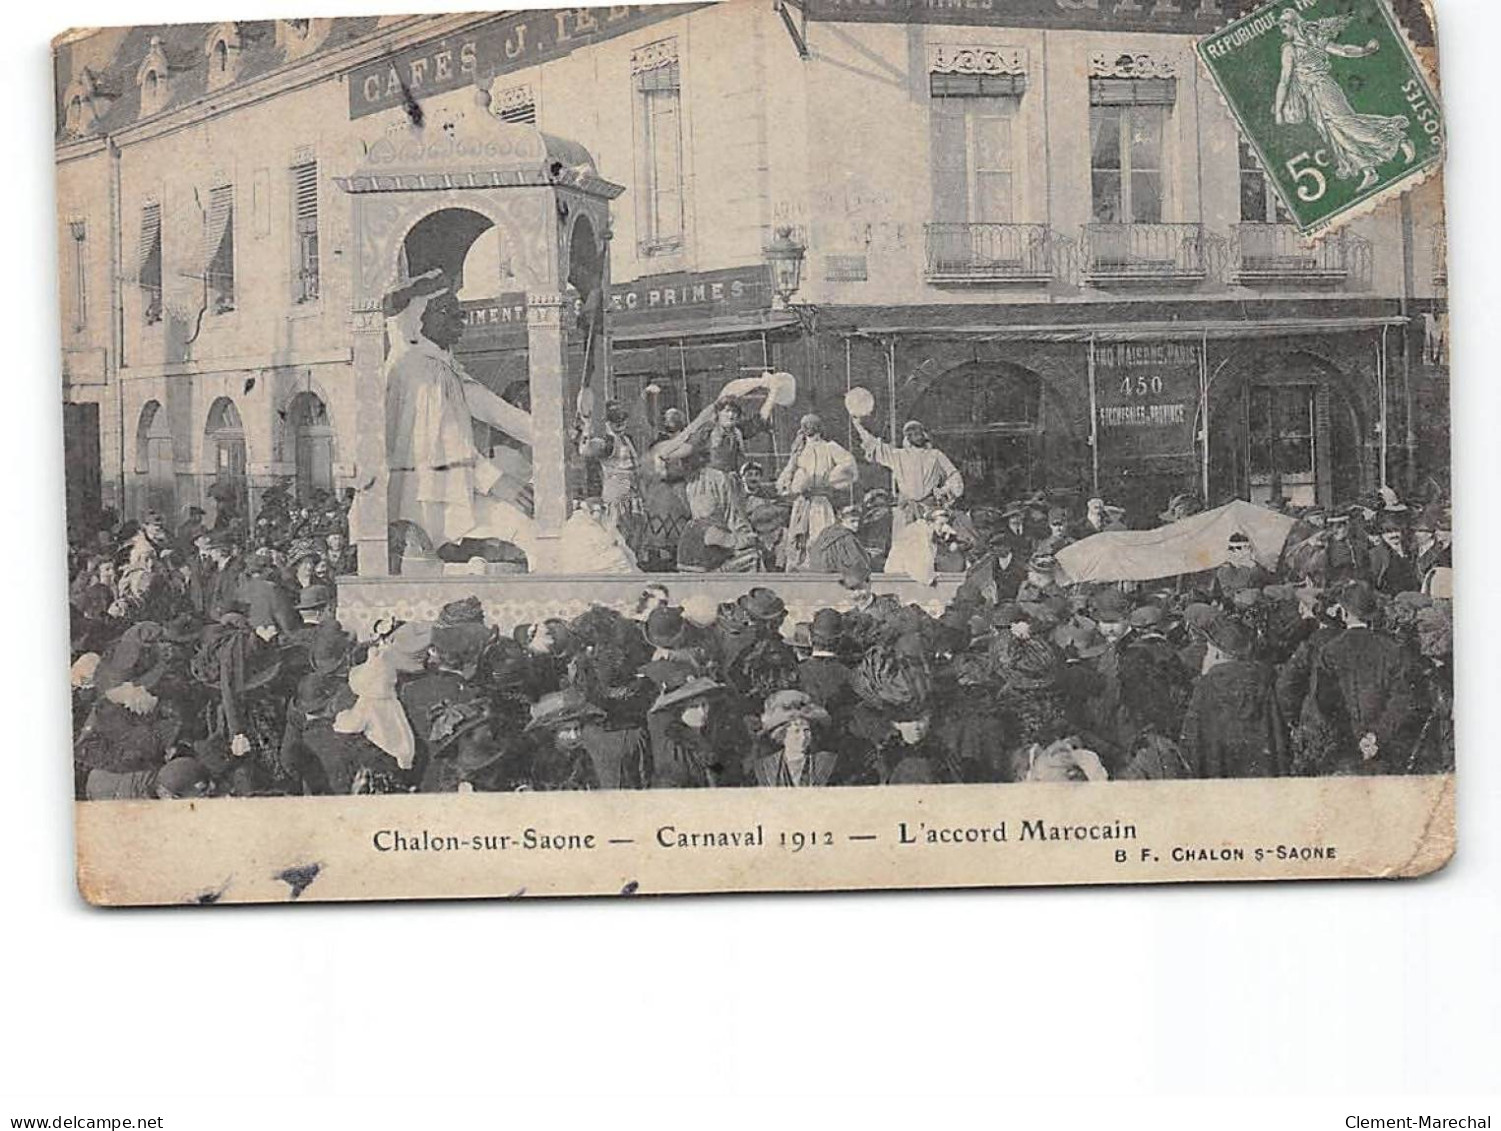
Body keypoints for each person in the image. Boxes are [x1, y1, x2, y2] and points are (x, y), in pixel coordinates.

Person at [381, 271, 540, 564]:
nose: (460, 321)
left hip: (453, 489)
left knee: (526, 530)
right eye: (448, 313)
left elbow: (491, 408)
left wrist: (551, 433)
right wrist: (496, 482)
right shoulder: (417, 370)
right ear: (421, 318)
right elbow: (448, 438)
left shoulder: (442, 365)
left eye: (460, 313)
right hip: (423, 499)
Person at [1273, 8, 1416, 192]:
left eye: (1284, 27)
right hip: (1312, 98)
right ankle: (1368, 169)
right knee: (1336, 135)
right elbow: (1285, 80)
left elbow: (1342, 50)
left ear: (1292, 25)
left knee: (1348, 125)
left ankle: (1398, 138)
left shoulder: (1307, 43)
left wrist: (1365, 51)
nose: (1283, 31)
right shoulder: (1292, 48)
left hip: (1324, 88)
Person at [1304, 580, 1422, 775]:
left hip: (1345, 748)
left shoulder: (1330, 651)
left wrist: (1351, 737)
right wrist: (1375, 737)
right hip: (1385, 747)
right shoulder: (1392, 650)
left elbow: (1324, 702)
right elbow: (1402, 700)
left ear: (1345, 612)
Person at [1180, 614, 1288, 779]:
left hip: (1218, 770)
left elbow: (1192, 739)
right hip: (1261, 770)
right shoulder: (1265, 679)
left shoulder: (1206, 685)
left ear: (1217, 654)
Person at [850, 417, 963, 544]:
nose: (915, 436)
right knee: (905, 545)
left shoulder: (935, 455)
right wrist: (858, 426)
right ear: (907, 438)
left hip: (929, 508)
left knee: (930, 545)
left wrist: (944, 489)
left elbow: (954, 474)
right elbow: (875, 446)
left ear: (924, 434)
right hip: (906, 510)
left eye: (917, 432)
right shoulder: (899, 455)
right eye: (911, 433)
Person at [777, 413, 858, 572]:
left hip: (821, 501)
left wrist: (829, 480)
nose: (808, 427)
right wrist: (792, 487)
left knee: (820, 535)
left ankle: (822, 568)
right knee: (800, 538)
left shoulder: (829, 447)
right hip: (803, 502)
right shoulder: (799, 450)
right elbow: (787, 474)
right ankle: (802, 568)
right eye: (805, 424)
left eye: (812, 424)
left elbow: (849, 464)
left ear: (819, 427)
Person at [752, 691, 839, 787]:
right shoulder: (765, 768)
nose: (803, 737)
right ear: (782, 735)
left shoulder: (826, 762)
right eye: (796, 731)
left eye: (806, 731)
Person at [805, 504, 870, 579]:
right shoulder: (846, 537)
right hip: (836, 578)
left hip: (817, 575)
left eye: (858, 521)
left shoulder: (826, 532)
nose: (856, 525)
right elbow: (858, 563)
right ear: (842, 520)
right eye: (852, 521)